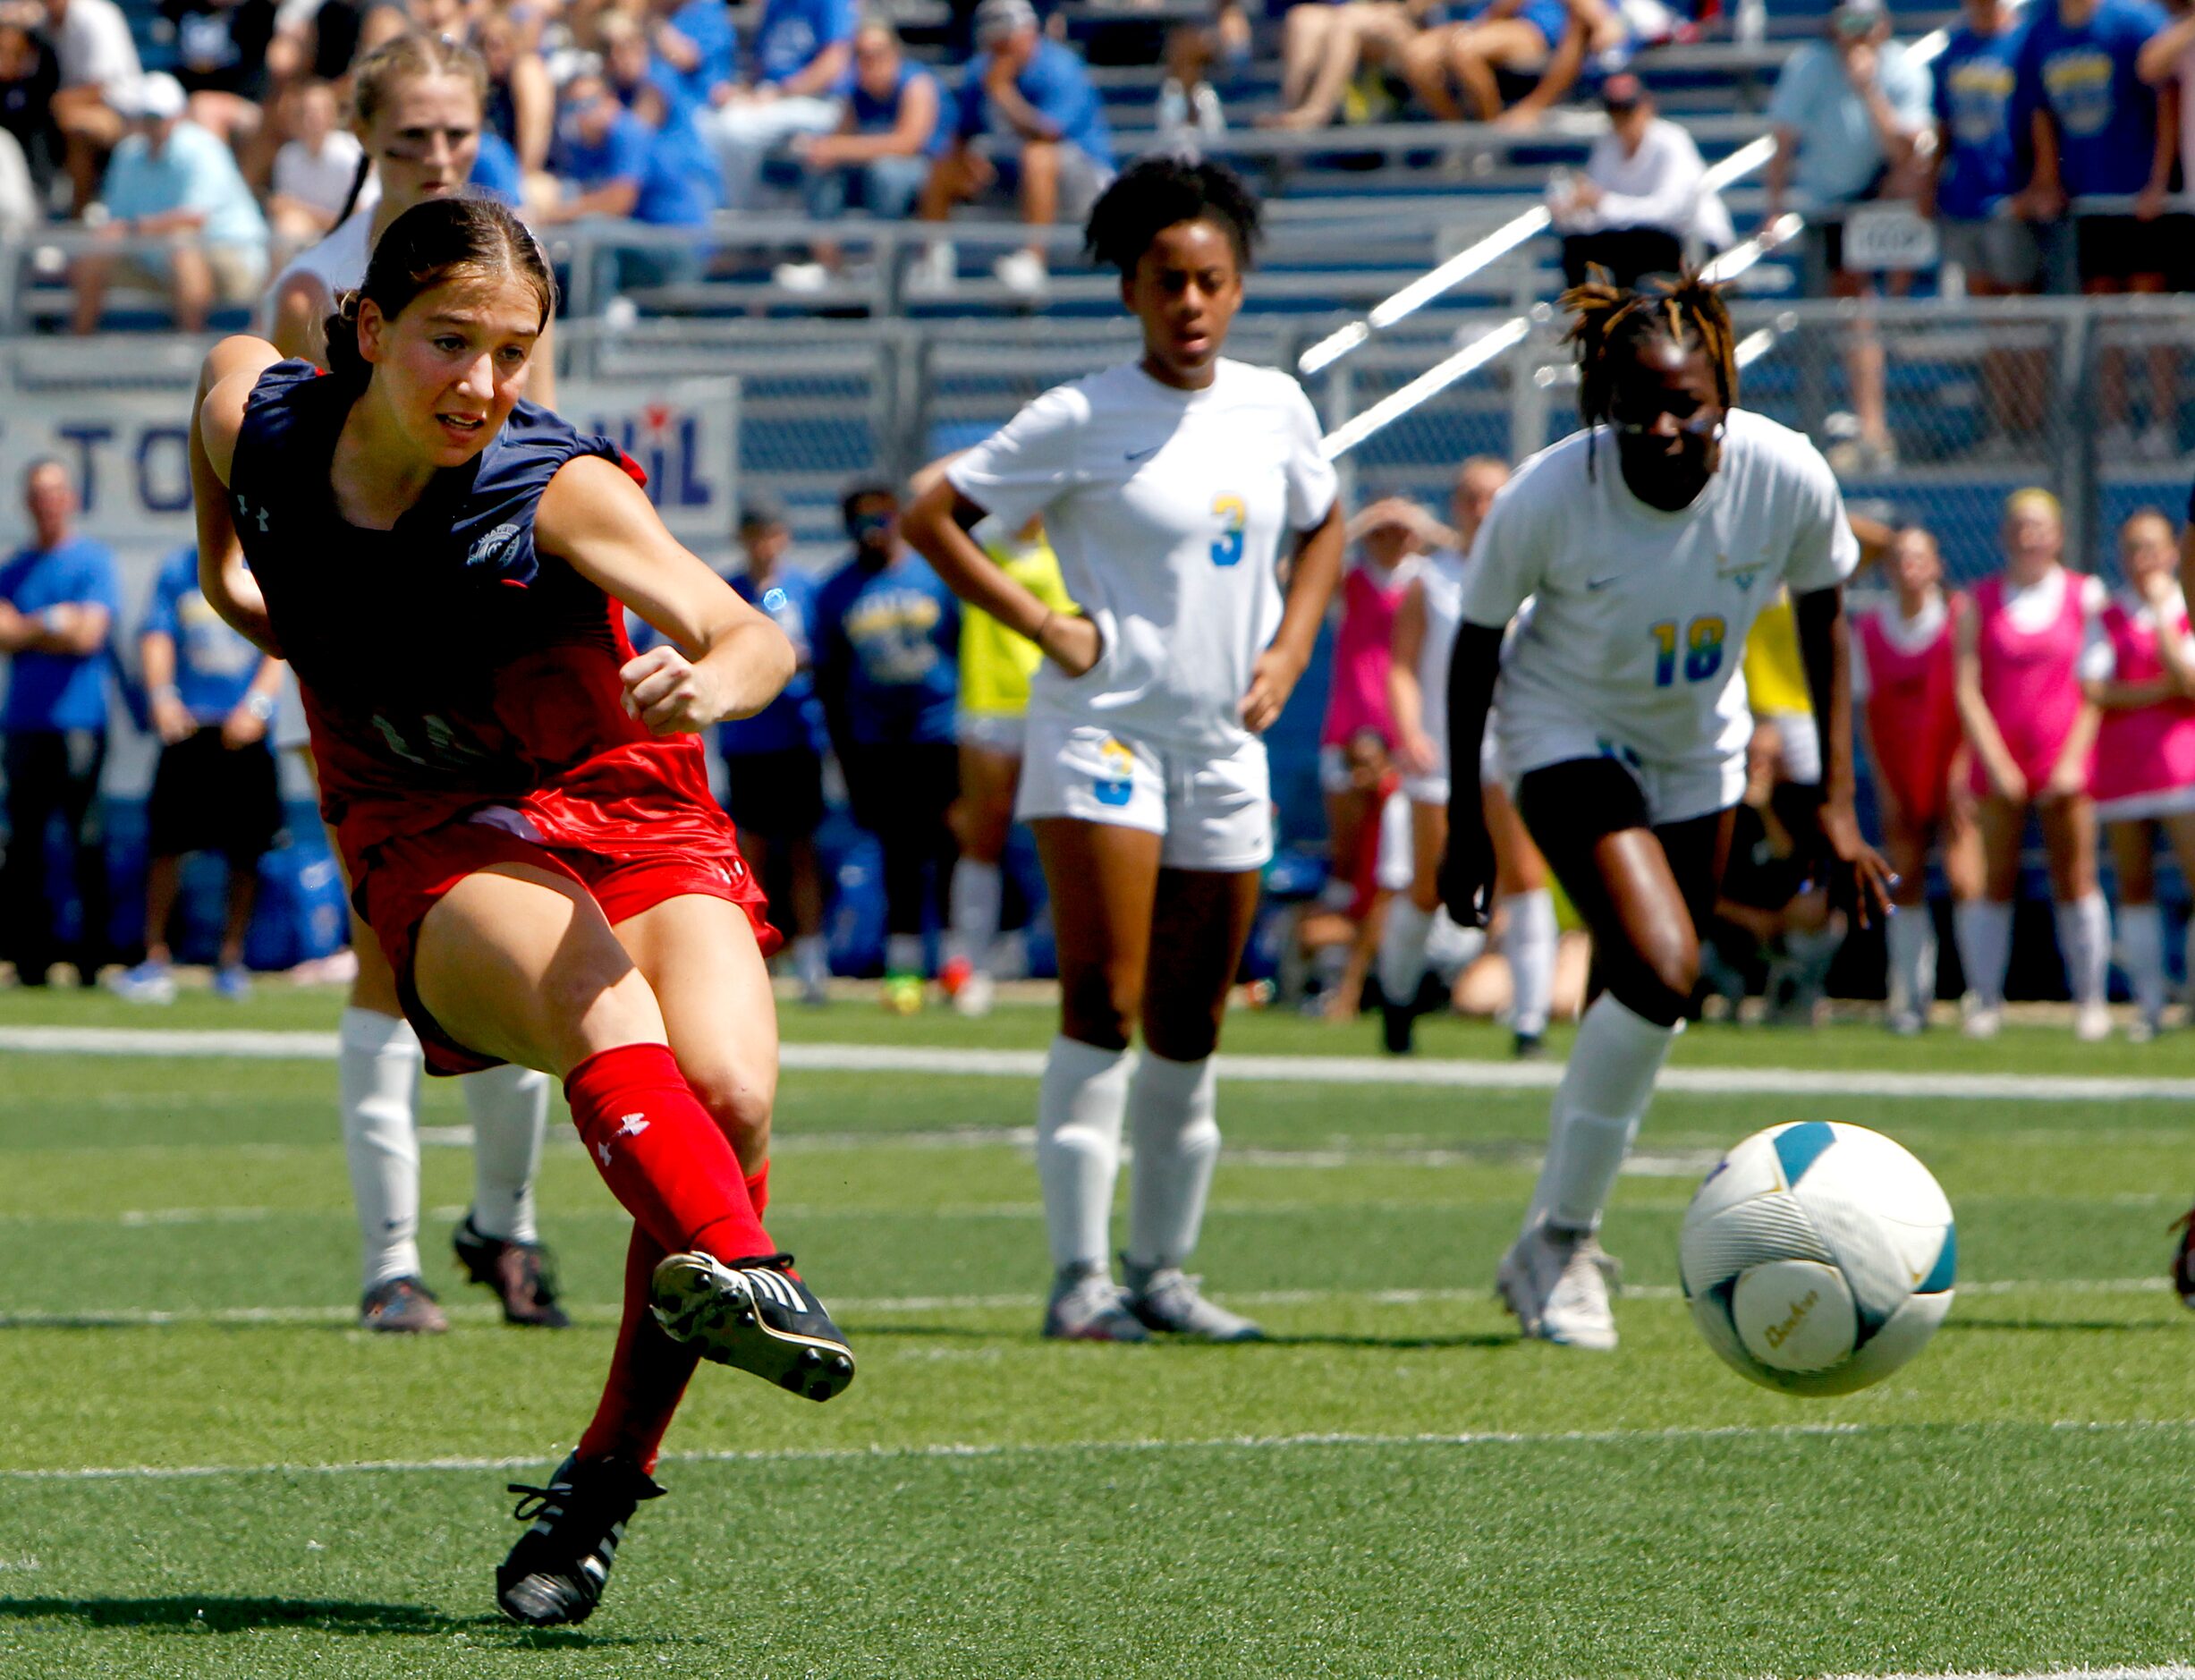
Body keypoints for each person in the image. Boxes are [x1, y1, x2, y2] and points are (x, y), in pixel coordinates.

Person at [190, 194, 854, 1628]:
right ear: (367, 332)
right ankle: (746, 1269)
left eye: (513, 351)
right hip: (427, 824)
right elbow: (223, 428)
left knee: (728, 1096)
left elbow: (751, 629)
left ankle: (602, 1486)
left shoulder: (553, 485)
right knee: (608, 1019)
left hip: (624, 802)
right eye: (449, 342)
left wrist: (714, 681)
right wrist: (242, 593)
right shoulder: (264, 420)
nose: (483, 384)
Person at [903, 156, 1345, 1343]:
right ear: (1131, 292)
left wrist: (1291, 651)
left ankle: (1163, 1271)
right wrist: (1045, 623)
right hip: (1100, 731)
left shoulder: (1276, 408)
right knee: (1103, 997)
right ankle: (1077, 1279)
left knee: (1193, 1020)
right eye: (1166, 282)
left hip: (1222, 744)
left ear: (1238, 287)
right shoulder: (1081, 414)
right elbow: (927, 510)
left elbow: (1324, 520)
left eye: (1209, 281)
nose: (1189, 303)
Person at [1440, 270, 1886, 1351]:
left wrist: (1833, 800)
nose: (1666, 425)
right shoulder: (1550, 495)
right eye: (1639, 405)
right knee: (1664, 962)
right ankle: (1559, 1242)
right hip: (1563, 730)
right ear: (1602, 405)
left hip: (1700, 746)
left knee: (1644, 997)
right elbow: (1475, 647)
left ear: (1724, 390)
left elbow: (1826, 619)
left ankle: (1554, 1243)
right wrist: (1466, 816)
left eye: (1687, 401)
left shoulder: (1785, 474)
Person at [261, 32, 564, 1338]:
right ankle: (392, 1257)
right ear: (363, 140)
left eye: (456, 137)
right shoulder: (319, 286)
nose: (436, 160)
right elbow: (264, 468)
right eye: (409, 141)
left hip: (489, 648)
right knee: (390, 951)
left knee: (531, 924)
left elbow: (535, 448)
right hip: (354, 662)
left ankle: (507, 1223)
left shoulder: (514, 261)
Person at [1383, 454, 1561, 1058]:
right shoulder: (1431, 581)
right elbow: (1403, 667)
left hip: (1509, 750)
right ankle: (1398, 1000)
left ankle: (1529, 1023)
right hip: (1440, 751)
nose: (1481, 509)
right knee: (1430, 885)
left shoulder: (1533, 580)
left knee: (1524, 878)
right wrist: (1409, 730)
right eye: (1469, 497)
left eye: (1492, 497)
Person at [911, 454, 1073, 1019]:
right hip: (988, 707)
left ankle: (1075, 965)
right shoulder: (986, 543)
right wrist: (1008, 445)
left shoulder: (1067, 543)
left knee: (1071, 836)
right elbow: (922, 489)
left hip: (1054, 707)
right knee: (983, 836)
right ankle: (968, 966)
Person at [1952, 488, 2108, 1041]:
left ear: (2058, 534)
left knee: (2077, 876)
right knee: (1992, 881)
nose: (2029, 535)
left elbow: (2095, 687)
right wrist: (1994, 762)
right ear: (2005, 534)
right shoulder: (1979, 600)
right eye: (2020, 525)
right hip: (2000, 764)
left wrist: (2071, 761)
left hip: (2065, 764)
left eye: (2040, 525)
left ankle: (2091, 1003)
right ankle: (1986, 1000)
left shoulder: (2085, 595)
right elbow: (1966, 688)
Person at [107, 543, 286, 1005]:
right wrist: (162, 697)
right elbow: (157, 634)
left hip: (244, 734)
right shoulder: (180, 567)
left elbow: (282, 638)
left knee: (246, 852)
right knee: (166, 845)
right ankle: (154, 958)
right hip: (190, 727)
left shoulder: (269, 563)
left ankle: (231, 961)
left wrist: (257, 706)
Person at [1764, 0, 1932, 472]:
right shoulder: (1808, 65)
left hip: (1883, 200)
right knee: (1841, 313)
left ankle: (1873, 423)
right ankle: (1851, 424)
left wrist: (1868, 88)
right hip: (1827, 206)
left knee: (1861, 309)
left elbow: (1906, 151)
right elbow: (1783, 141)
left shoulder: (1900, 68)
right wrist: (1774, 207)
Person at [813, 481, 962, 1014]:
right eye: (863, 521)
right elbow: (829, 681)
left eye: (883, 518)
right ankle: (903, 966)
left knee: (949, 845)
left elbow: (962, 649)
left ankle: (956, 961)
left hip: (939, 731)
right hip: (878, 742)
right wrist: (846, 755)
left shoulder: (933, 575)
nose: (875, 531)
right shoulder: (836, 592)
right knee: (898, 852)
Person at [2013, 0, 2177, 459]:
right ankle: (2116, 422)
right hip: (2088, 201)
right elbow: (2039, 111)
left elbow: (2166, 99)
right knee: (2102, 312)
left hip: (2139, 196)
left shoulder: (2133, 21)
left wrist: (2159, 181)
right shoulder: (2041, 30)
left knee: (2151, 306)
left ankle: (2161, 423)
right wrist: (2049, 178)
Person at [1854, 525, 1980, 1034]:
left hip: (1950, 767)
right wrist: (1885, 784)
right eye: (1899, 560)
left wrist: (1963, 770)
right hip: (1900, 769)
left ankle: (1980, 996)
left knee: (1966, 877)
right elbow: (1868, 717)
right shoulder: (1867, 629)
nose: (1909, 569)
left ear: (1936, 566)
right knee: (1903, 881)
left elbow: (1972, 697)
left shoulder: (1957, 619)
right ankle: (1909, 996)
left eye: (1918, 559)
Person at [0, 459, 121, 989]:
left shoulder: (93, 562)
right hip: (24, 723)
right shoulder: (13, 569)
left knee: (84, 840)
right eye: (37, 494)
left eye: (55, 492)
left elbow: (89, 636)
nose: (46, 503)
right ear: (28, 504)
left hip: (79, 722)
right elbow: (4, 636)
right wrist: (56, 621)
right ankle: (32, 960)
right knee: (25, 846)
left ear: (69, 499)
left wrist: (32, 626)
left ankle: (92, 960)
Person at [914, 0, 1114, 299]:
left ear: (1029, 34)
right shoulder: (979, 73)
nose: (1002, 50)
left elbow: (1049, 133)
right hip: (1015, 180)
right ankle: (934, 259)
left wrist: (1002, 93)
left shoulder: (1059, 67)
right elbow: (961, 136)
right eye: (995, 43)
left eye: (1008, 41)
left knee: (1037, 156)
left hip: (1083, 182)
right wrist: (965, 162)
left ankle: (1033, 260)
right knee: (944, 166)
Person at [716, 496, 833, 1007]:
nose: (764, 546)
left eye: (772, 534)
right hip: (748, 737)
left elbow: (825, 657)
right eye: (755, 535)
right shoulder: (727, 590)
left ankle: (812, 958)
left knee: (804, 848)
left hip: (798, 737)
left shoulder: (805, 589)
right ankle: (756, 954)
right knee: (753, 848)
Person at [2086, 509, 2195, 1039]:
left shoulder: (2182, 607)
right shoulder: (2108, 614)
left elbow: (2189, 681)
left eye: (2151, 548)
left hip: (2182, 765)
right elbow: (2095, 689)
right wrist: (2161, 691)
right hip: (2124, 768)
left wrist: (2158, 616)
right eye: (2132, 549)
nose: (2142, 560)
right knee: (2134, 884)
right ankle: (2149, 1006)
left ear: (2173, 551)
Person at [71, 71, 270, 334]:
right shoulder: (128, 154)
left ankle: (190, 353)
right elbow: (115, 222)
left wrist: (133, 229)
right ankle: (79, 346)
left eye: (159, 117)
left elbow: (193, 219)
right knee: (96, 251)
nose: (153, 125)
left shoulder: (202, 148)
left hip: (232, 261)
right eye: (147, 117)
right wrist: (119, 233)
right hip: (159, 264)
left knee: (182, 245)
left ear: (178, 117)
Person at [1318, 497, 1425, 986]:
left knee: (1396, 858)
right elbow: (1294, 572)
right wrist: (1363, 523)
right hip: (1348, 731)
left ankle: (1382, 967)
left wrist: (1416, 523)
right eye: (1383, 534)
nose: (1391, 541)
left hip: (1404, 735)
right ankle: (1337, 966)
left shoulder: (1425, 582)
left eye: (1398, 534)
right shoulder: (1352, 581)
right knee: (1349, 855)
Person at [1928, 0, 2041, 450]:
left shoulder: (2024, 40)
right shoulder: (1955, 47)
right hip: (1965, 200)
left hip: (2010, 198)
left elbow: (2039, 118)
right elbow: (1944, 126)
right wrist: (1931, 183)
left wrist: (2041, 183)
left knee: (2027, 321)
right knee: (1992, 324)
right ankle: (1999, 428)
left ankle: (2031, 429)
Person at [773, 14, 941, 291]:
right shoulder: (857, 92)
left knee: (888, 173)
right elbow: (839, 139)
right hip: (870, 174)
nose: (870, 60)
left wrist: (837, 148)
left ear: (895, 52)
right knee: (820, 167)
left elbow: (907, 143)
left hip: (927, 177)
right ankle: (830, 266)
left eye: (877, 53)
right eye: (861, 54)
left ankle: (885, 265)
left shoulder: (916, 83)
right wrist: (821, 148)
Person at [1551, 74, 1732, 288]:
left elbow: (1669, 210)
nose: (1621, 118)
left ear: (1647, 106)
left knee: (1628, 247)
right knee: (1577, 246)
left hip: (1694, 241)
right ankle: (1585, 315)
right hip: (1635, 241)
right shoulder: (1607, 146)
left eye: (1628, 109)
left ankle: (1624, 313)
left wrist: (1603, 203)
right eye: (1613, 110)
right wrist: (1573, 208)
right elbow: (1596, 207)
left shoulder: (1672, 141)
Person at [700, 0, 856, 209]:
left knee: (734, 126)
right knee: (705, 121)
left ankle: (735, 213)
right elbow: (762, 67)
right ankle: (730, 205)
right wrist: (741, 91)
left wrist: (780, 93)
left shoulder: (830, 3)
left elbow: (832, 66)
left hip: (818, 101)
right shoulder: (776, 5)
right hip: (775, 99)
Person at [1266, 0, 1431, 131]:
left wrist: (1380, 10)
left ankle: (1317, 112)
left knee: (1347, 22)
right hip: (1355, 16)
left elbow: (1416, 10)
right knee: (1303, 19)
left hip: (1411, 32)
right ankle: (1290, 110)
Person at [43, 0, 140, 214]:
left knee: (76, 124)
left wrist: (54, 103)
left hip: (125, 112)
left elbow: (100, 88)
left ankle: (78, 212)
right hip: (78, 106)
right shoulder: (48, 20)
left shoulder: (94, 15)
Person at [267, 78, 366, 245]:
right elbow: (279, 206)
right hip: (309, 237)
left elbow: (363, 215)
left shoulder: (351, 155)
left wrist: (308, 213)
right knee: (288, 229)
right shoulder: (288, 156)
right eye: (304, 111)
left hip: (350, 240)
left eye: (319, 111)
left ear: (333, 114)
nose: (311, 118)